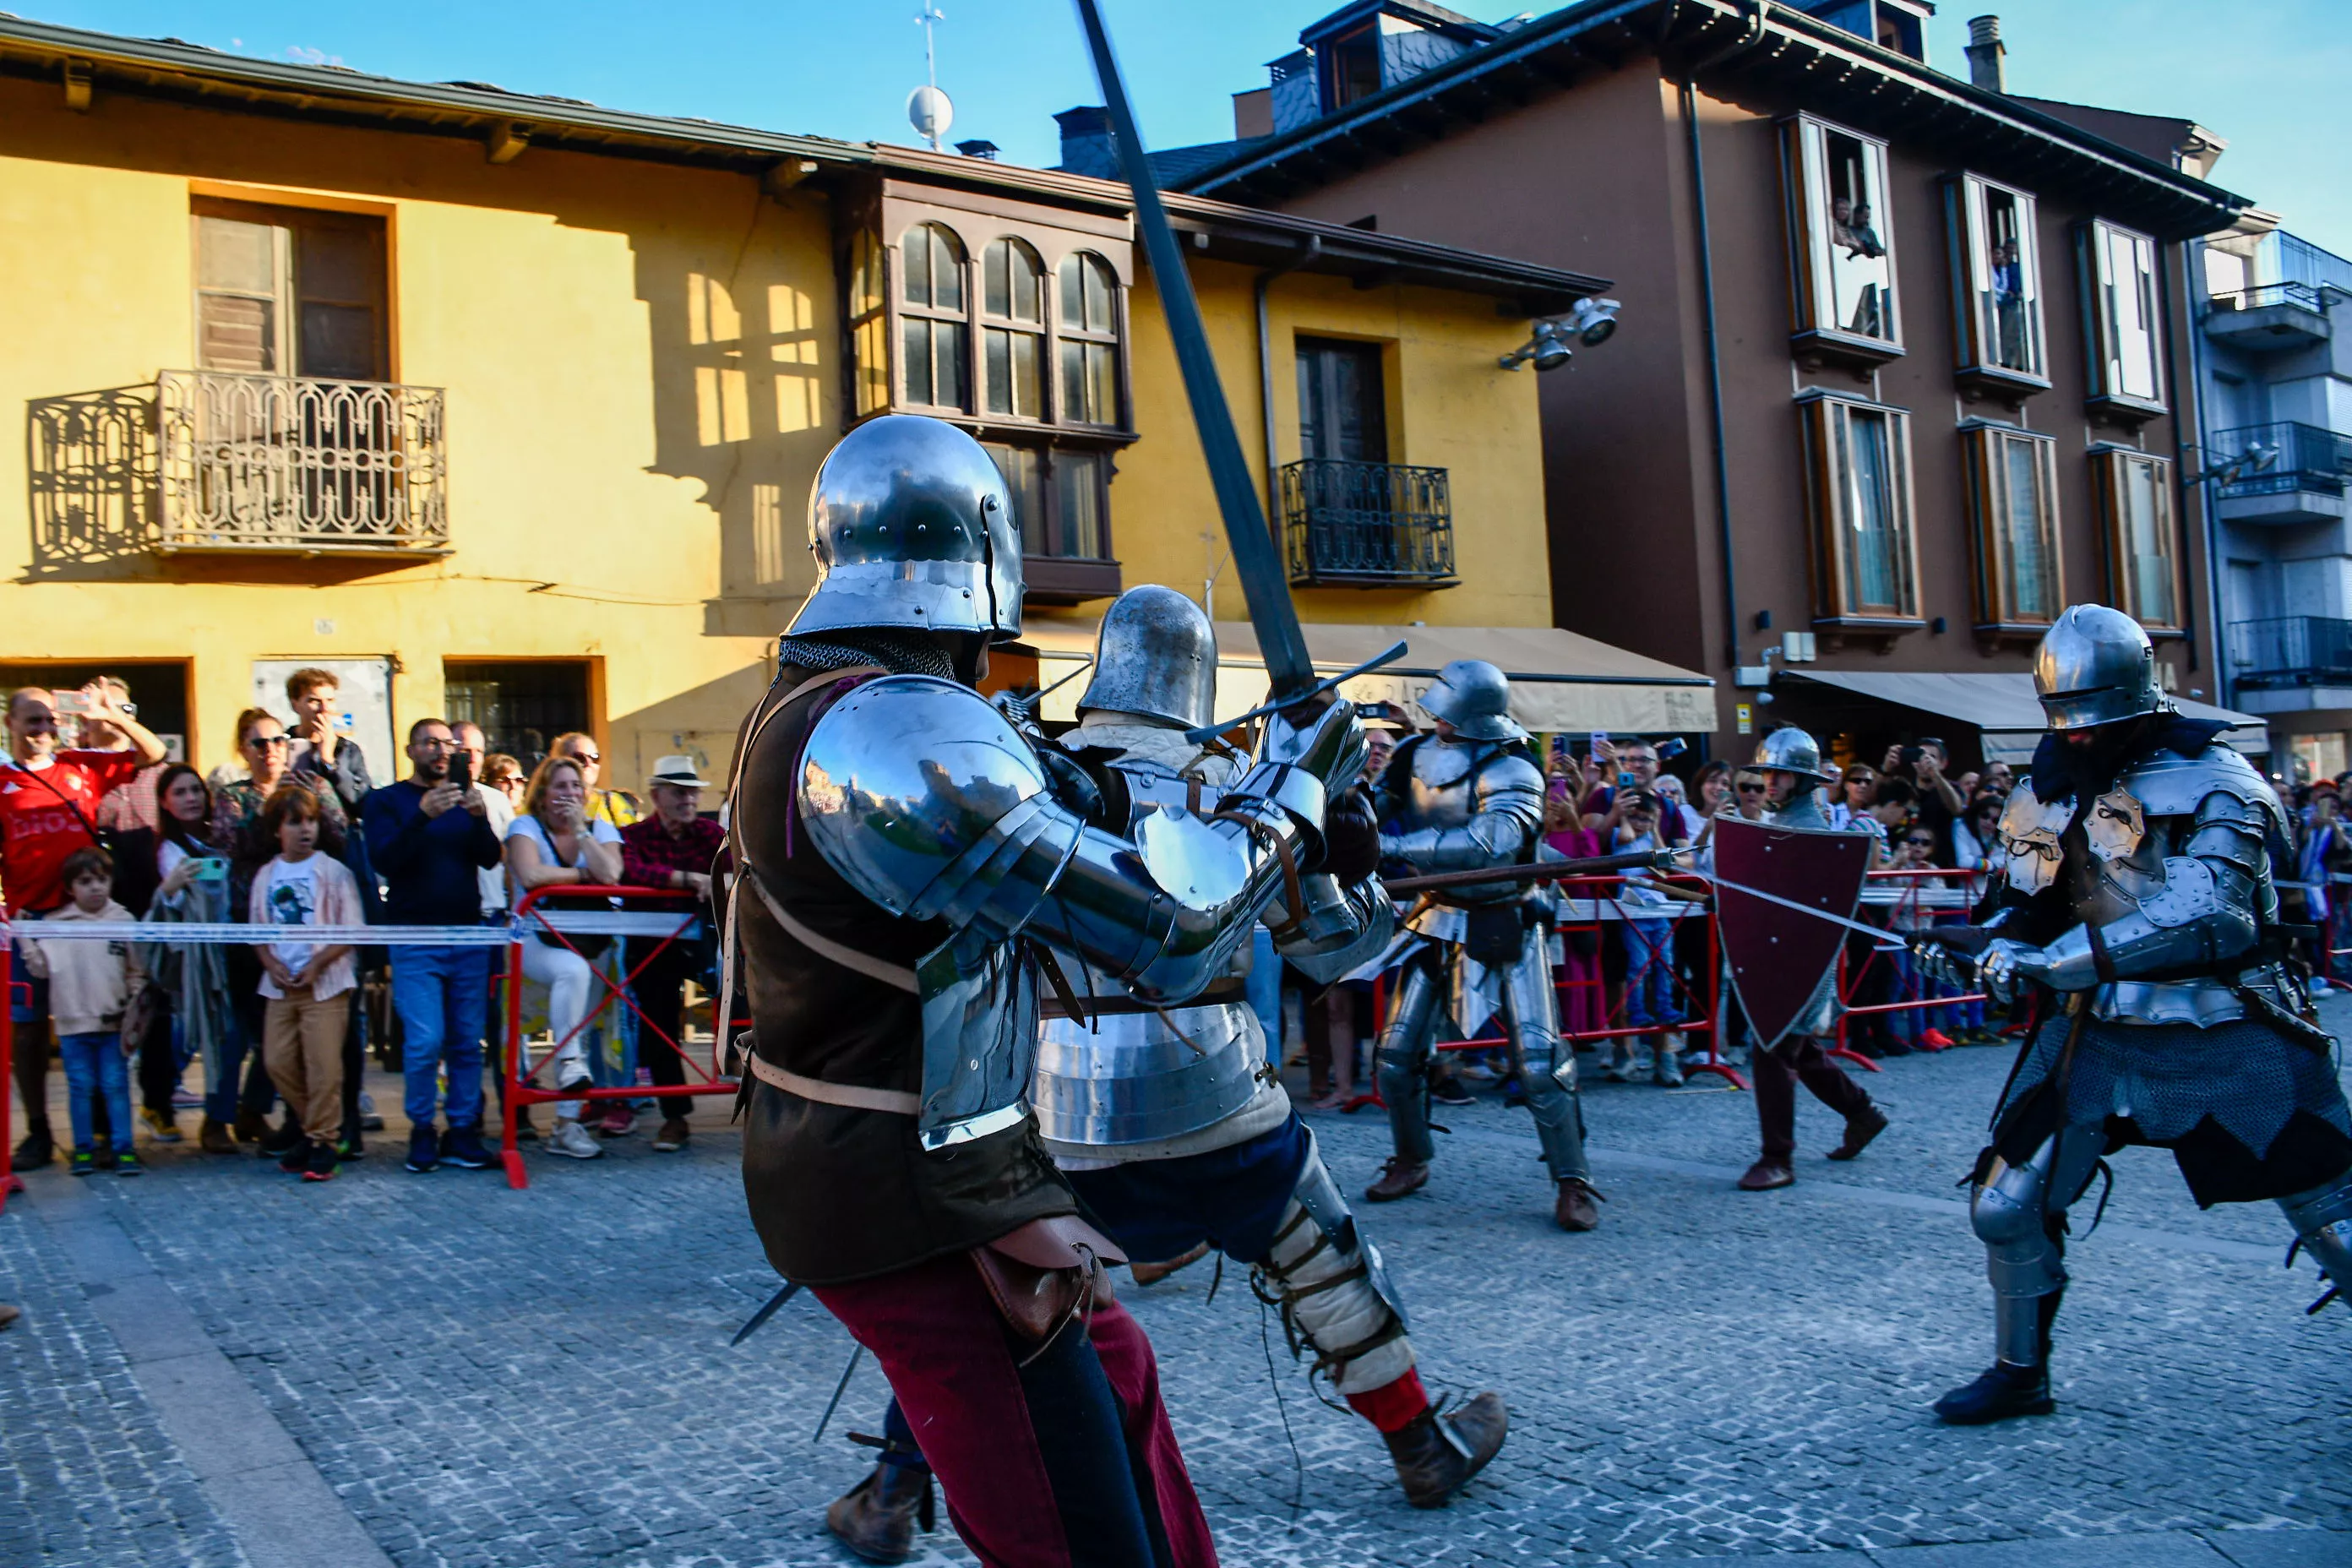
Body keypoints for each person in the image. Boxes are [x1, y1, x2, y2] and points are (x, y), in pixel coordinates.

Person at [733, 416, 1361, 1568]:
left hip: (932, 1167)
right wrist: (1294, 796)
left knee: (1118, 1374)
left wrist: (1204, 793)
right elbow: (1173, 938)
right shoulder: (892, 729)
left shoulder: (835, 706)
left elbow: (1077, 796)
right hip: (914, 1191)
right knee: (1071, 1524)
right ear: (982, 546)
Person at [822, 589, 1493, 1558]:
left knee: (1004, 1301)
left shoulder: (1026, 775)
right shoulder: (1237, 790)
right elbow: (1334, 951)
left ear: (1105, 666)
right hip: (1219, 1101)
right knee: (1322, 1253)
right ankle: (1419, 1442)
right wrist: (1353, 865)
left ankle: (890, 1491)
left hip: (1053, 1109)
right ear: (1199, 677)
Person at [1921, 606, 2352, 1424]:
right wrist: (1989, 949)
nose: (2082, 740)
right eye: (2069, 725)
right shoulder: (2044, 785)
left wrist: (2053, 961)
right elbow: (2023, 906)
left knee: (2333, 1217)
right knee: (2007, 1203)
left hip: (2229, 1019)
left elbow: (2211, 914)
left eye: (2098, 724)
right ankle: (2021, 1370)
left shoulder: (2219, 779)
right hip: (2097, 1029)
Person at [1366, 660, 1603, 1232]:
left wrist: (1394, 850)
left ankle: (1573, 1180)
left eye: (1447, 710)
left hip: (1507, 918)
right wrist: (1350, 829)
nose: (1436, 719)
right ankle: (1412, 1157)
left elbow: (1488, 844)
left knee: (1542, 1065)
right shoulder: (1410, 756)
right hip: (1435, 916)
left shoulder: (1513, 768)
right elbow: (1374, 812)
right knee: (1396, 1058)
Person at [3, 682, 166, 1169]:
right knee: (30, 1034)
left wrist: (114, 717)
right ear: (10, 724)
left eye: (49, 719)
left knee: (97, 1026)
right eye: (32, 719)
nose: (42, 728)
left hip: (90, 923)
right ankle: (37, 1131)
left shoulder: (81, 765)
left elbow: (153, 753)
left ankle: (103, 1133)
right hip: (31, 924)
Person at [1734, 728, 1891, 1194]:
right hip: (1779, 954)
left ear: (1803, 781)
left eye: (1780, 774)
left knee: (1774, 1048)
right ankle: (1863, 1113)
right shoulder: (1773, 827)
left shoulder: (1815, 834)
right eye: (1767, 773)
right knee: (1797, 1050)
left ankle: (1777, 1156)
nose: (1770, 782)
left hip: (1801, 959)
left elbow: (1814, 909)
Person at [363, 718, 504, 1174]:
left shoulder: (465, 798)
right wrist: (422, 815)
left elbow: (487, 857)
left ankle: (461, 1130)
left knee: (466, 1041)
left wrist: (481, 821)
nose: (441, 751)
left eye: (447, 744)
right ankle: (422, 1127)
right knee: (425, 1041)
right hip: (415, 938)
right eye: (430, 743)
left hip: (466, 935)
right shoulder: (386, 801)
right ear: (410, 750)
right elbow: (384, 859)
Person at [214, 707, 348, 1151]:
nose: (270, 750)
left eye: (278, 741)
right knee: (268, 1047)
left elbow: (339, 833)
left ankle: (314, 1132)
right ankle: (289, 1121)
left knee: (320, 1053)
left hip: (320, 958)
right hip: (257, 944)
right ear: (243, 749)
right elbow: (231, 844)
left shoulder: (312, 787)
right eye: (259, 742)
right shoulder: (233, 799)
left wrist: (298, 812)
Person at [503, 754, 621, 1161]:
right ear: (542, 793)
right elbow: (531, 874)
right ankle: (561, 1068)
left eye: (575, 786)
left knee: (583, 1026)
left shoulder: (599, 827)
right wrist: (582, 876)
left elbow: (611, 873)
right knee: (571, 973)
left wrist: (581, 831)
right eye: (559, 786)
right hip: (536, 941)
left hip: (591, 941)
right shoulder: (524, 826)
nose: (568, 793)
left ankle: (567, 1125)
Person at [249, 785, 360, 1184]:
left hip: (325, 985)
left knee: (323, 1067)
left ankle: (324, 1142)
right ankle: (312, 1129)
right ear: (278, 829)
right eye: (294, 822)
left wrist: (317, 963)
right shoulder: (265, 875)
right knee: (277, 1061)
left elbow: (352, 931)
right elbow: (257, 931)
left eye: (310, 821)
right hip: (280, 985)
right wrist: (270, 963)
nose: (304, 830)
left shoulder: (333, 872)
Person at [618, 754, 727, 1152]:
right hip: (652, 947)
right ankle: (674, 1117)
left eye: (693, 792)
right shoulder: (633, 835)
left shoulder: (711, 834)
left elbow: (734, 871)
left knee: (749, 1003)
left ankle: (760, 1095)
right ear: (657, 796)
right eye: (679, 792)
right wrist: (686, 880)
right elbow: (628, 871)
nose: (689, 800)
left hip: (707, 941)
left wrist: (712, 881)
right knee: (659, 1026)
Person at [112, 763, 226, 1145]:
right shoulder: (167, 849)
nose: (191, 798)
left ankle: (216, 1112)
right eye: (180, 792)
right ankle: (159, 1103)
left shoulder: (221, 836)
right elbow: (177, 898)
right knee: (182, 1032)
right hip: (184, 960)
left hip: (225, 953)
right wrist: (171, 888)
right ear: (164, 802)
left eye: (195, 789)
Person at [22, 847, 148, 1176]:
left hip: (113, 1025)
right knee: (79, 1087)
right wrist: (24, 939)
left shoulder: (124, 921)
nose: (95, 888)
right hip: (71, 1025)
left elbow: (135, 970)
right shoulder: (55, 925)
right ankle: (83, 1149)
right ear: (69, 888)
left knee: (116, 1086)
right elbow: (40, 969)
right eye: (85, 881)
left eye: (102, 880)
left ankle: (123, 1148)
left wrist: (136, 1003)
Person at [284, 668, 373, 814]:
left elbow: (364, 801)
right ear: (295, 705)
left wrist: (329, 762)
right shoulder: (280, 746)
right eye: (314, 701)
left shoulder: (348, 749)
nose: (324, 709)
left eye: (330, 701)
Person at [86, 676, 163, 836]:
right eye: (107, 707)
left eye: (127, 708)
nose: (116, 715)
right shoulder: (73, 770)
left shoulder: (157, 771)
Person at [548, 732, 640, 830]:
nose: (589, 763)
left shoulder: (612, 802)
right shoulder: (543, 804)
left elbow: (635, 841)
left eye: (595, 758)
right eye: (580, 758)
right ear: (560, 761)